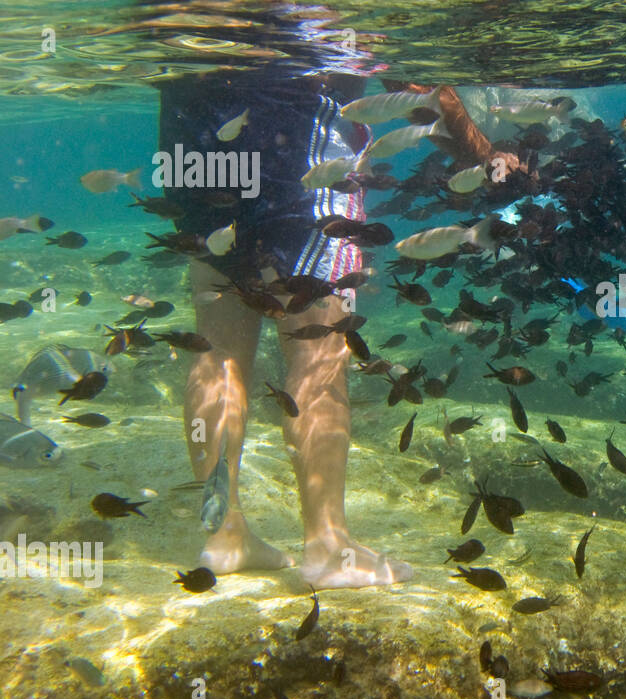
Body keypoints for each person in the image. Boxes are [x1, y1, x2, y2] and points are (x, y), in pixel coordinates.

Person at [159, 69, 520, 589]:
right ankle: (328, 547)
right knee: (319, 352)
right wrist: (486, 156)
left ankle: (223, 533)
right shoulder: (327, 4)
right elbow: (425, 88)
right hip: (296, 144)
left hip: (194, 132)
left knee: (216, 344)